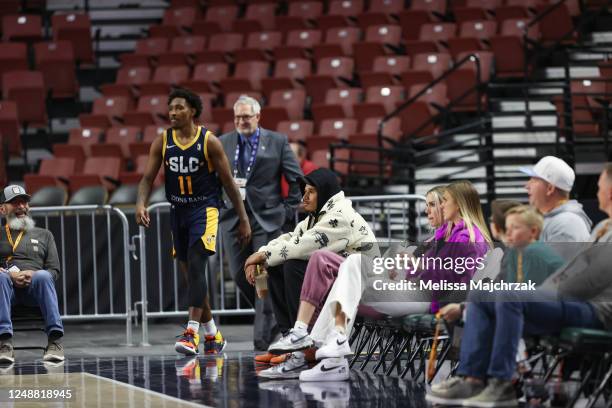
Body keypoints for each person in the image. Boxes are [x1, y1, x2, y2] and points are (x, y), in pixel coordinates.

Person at [427, 164, 612, 408]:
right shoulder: (602, 227)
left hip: (597, 311)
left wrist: (539, 293)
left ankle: (502, 383)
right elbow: (566, 273)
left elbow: (591, 279)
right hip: (568, 301)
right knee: (482, 294)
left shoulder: (577, 225)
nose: (596, 190)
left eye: (600, 185)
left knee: (509, 294)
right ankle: (472, 379)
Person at [286, 181, 492, 381]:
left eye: (444, 200)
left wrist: (419, 267)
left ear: (459, 204)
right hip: (414, 291)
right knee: (352, 268)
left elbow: (459, 284)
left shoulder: (469, 238)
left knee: (351, 273)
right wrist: (413, 266)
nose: (440, 205)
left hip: (427, 298)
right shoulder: (445, 235)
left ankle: (325, 349)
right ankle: (333, 348)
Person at [136, 88, 251, 356]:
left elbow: (228, 184)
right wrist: (140, 203)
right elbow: (146, 179)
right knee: (191, 275)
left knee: (198, 264)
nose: (173, 112)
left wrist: (243, 218)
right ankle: (213, 333)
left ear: (193, 112)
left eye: (179, 108)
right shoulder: (162, 141)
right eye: (171, 108)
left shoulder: (209, 142)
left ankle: (191, 333)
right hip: (178, 211)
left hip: (205, 209)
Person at [246, 168, 379, 369]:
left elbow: (303, 246)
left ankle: (304, 344)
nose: (304, 197)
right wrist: (263, 254)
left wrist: (263, 256)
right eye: (304, 191)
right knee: (277, 267)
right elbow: (291, 238)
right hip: (335, 280)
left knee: (293, 264)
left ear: (324, 192)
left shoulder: (341, 215)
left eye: (311, 192)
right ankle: (291, 342)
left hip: (361, 288)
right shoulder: (315, 217)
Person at [218, 95, 303, 350]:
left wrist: (288, 211)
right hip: (233, 218)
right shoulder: (222, 142)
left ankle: (262, 338)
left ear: (258, 116)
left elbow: (296, 177)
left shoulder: (277, 141)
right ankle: (276, 316)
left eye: (246, 116)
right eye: (237, 117)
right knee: (240, 275)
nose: (241, 121)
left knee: (262, 273)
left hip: (266, 219)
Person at [0, 185, 64, 363]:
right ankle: (4, 344)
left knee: (44, 276)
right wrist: (8, 275)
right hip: (6, 292)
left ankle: (55, 342)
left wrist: (34, 274)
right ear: (3, 209)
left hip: (34, 292)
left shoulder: (45, 235)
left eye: (24, 202)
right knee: (1, 278)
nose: (21, 206)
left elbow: (54, 270)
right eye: (15, 203)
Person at [521, 156, 591, 246]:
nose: (527, 186)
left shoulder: (566, 223)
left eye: (534, 180)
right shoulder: (556, 221)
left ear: (550, 189)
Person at [500, 205, 565, 285]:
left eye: (515, 227)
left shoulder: (534, 252)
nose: (508, 233)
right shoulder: (514, 252)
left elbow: (530, 294)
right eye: (507, 228)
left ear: (533, 231)